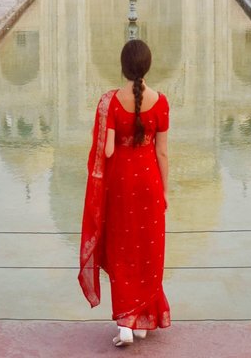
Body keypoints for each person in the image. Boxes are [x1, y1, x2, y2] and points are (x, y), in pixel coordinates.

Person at [80, 38, 170, 346]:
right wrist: (166, 192)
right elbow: (163, 154)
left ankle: (126, 325)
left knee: (122, 251)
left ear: (123, 67)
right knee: (147, 250)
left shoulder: (111, 101)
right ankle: (142, 319)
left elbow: (105, 151)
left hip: (121, 184)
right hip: (150, 184)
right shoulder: (161, 101)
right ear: (148, 66)